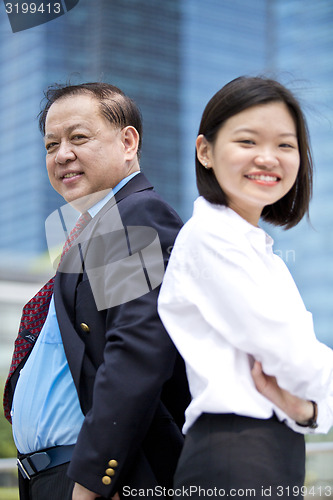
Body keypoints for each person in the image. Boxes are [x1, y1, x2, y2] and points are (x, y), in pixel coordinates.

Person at [3, 82, 191, 500]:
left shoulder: (133, 213)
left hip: (98, 479)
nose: (62, 154)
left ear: (128, 142)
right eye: (51, 144)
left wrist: (92, 480)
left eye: (79, 138)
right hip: (55, 478)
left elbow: (136, 353)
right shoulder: (92, 230)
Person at [158, 76, 333, 498]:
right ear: (206, 151)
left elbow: (298, 364)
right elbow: (287, 351)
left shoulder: (265, 257)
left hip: (273, 450)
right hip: (233, 454)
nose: (268, 158)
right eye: (248, 141)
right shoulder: (209, 238)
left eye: (285, 145)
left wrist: (309, 411)